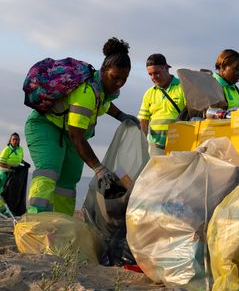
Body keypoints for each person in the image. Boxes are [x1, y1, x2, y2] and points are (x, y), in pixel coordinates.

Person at [25, 37, 138, 215]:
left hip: (69, 133)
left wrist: (121, 115)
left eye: (124, 79)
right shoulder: (86, 92)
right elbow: (76, 137)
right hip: (46, 125)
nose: (119, 83)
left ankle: (63, 223)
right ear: (104, 70)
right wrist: (98, 168)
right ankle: (36, 218)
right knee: (49, 169)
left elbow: (104, 105)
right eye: (115, 78)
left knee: (68, 181)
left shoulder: (102, 90)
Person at [138, 54, 187, 155]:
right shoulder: (149, 93)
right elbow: (143, 121)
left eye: (157, 73)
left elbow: (192, 115)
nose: (153, 77)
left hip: (180, 146)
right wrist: (143, 145)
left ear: (166, 68)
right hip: (156, 147)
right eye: (150, 74)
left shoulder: (183, 87)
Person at [0, 133, 24, 215]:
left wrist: (25, 163)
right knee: (3, 191)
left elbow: (20, 159)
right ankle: (2, 209)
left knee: (12, 193)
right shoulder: (7, 149)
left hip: (15, 174)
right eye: (13, 139)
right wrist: (10, 167)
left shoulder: (20, 149)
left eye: (17, 139)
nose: (15, 141)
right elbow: (0, 162)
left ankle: (9, 210)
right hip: (5, 173)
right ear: (10, 140)